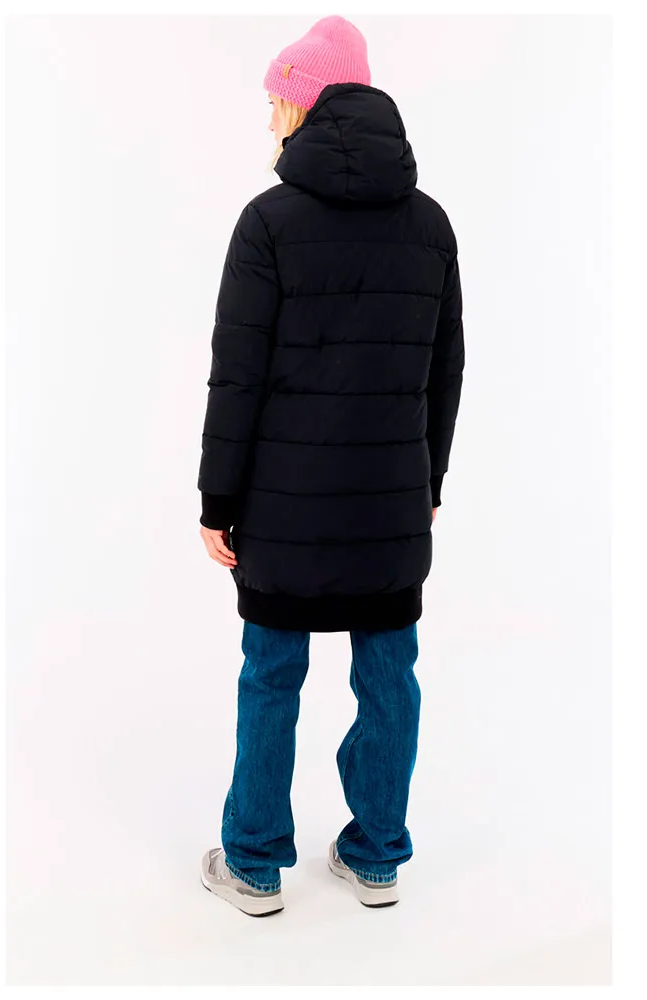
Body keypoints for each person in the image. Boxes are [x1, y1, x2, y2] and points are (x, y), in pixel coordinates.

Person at [197, 15, 464, 917]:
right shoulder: (429, 224)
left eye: (277, 100)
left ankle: (253, 864)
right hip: (391, 505)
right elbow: (446, 369)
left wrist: (218, 500)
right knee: (389, 675)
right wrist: (428, 483)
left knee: (272, 674)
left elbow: (237, 375)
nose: (269, 116)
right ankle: (377, 856)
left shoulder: (268, 221)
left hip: (284, 508)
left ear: (306, 104)